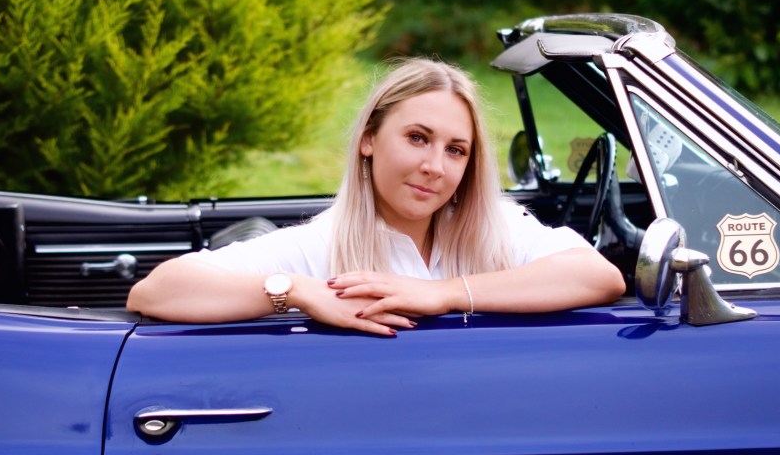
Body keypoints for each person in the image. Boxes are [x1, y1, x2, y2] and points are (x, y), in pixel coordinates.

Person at [127, 58, 625, 335]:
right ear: (369, 138)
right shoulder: (321, 247)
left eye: (456, 150)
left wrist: (444, 294)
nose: (435, 165)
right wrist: (299, 292)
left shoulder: (493, 224)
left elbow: (599, 277)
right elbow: (155, 291)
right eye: (416, 138)